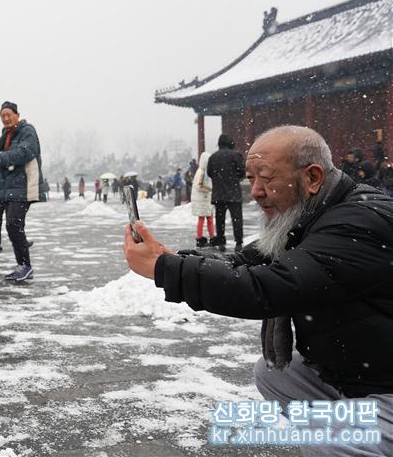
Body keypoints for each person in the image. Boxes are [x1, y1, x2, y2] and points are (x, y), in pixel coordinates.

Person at [123, 126, 393, 457]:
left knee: (333, 441)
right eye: (251, 178)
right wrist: (169, 260)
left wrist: (164, 270)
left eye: (266, 178)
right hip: (362, 376)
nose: (256, 192)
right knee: (276, 374)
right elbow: (243, 263)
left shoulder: (357, 223)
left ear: (312, 178)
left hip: (385, 386)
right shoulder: (311, 216)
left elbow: (267, 287)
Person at [0, 101, 45, 281]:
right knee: (13, 225)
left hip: (23, 187)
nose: (6, 118)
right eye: (2, 116)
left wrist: (0, 157)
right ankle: (22, 264)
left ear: (17, 115)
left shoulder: (27, 131)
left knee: (13, 224)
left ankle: (25, 265)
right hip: (9, 188)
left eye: (9, 114)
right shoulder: (6, 135)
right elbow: (1, 167)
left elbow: (24, 153)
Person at [207, 133, 246, 252]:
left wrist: (219, 179)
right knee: (237, 219)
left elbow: (209, 173)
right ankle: (238, 242)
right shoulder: (236, 155)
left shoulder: (213, 157)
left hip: (218, 193)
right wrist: (234, 178)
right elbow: (242, 172)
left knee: (220, 220)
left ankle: (221, 241)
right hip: (233, 192)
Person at [190, 152, 215, 247]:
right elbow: (199, 186)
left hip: (202, 199)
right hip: (204, 199)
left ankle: (201, 237)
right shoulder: (203, 172)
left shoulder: (200, 171)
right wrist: (210, 189)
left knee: (204, 218)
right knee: (207, 219)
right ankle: (209, 237)